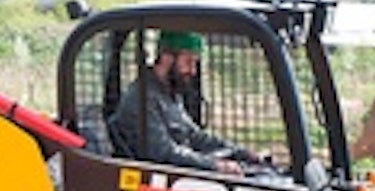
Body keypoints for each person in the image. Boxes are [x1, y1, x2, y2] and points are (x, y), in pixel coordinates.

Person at [109, 30, 261, 175]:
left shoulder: (170, 93)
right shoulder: (141, 99)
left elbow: (195, 136)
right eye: (188, 62)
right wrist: (214, 166)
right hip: (157, 183)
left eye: (195, 63)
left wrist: (239, 152)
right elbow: (164, 153)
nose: (193, 71)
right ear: (166, 57)